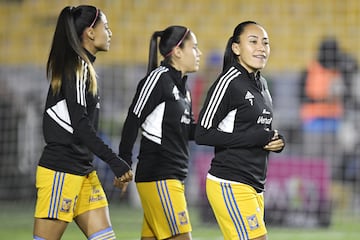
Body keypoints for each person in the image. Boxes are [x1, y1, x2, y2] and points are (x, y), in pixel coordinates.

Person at [33, 5, 133, 240]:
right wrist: (115, 162)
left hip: (83, 170)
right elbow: (81, 125)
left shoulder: (84, 67)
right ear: (89, 32)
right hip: (62, 170)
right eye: (105, 27)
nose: (110, 33)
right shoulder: (76, 66)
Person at [195, 21, 285, 240]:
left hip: (255, 184)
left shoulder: (262, 84)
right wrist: (254, 138)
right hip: (231, 181)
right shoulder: (228, 82)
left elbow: (260, 129)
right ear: (236, 48)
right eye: (253, 41)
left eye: (265, 43)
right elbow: (202, 133)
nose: (261, 48)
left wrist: (277, 141)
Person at [118, 25, 201, 240]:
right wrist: (123, 163)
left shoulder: (184, 88)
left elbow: (188, 130)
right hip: (160, 176)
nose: (198, 53)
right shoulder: (158, 78)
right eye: (195, 47)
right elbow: (133, 119)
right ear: (178, 51)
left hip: (171, 177)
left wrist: (224, 134)